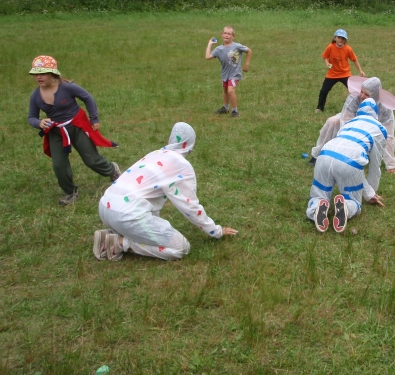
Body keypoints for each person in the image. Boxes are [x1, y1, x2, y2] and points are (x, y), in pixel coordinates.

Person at [93, 122, 238, 261]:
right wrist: (216, 231)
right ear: (190, 146)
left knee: (143, 225)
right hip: (127, 214)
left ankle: (111, 235)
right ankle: (119, 242)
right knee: (181, 247)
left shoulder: (155, 154)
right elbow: (190, 206)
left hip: (105, 206)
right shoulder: (181, 165)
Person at [27, 56, 120, 206]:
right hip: (56, 132)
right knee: (59, 165)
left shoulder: (67, 87)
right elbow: (31, 117)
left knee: (92, 160)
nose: (39, 77)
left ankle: (112, 170)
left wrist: (94, 118)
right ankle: (70, 192)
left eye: (43, 73)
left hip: (77, 127)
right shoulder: (35, 96)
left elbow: (87, 98)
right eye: (36, 74)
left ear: (52, 73)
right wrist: (39, 123)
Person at [306, 98, 386, 233]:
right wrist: (370, 193)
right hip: (350, 162)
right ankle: (346, 206)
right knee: (354, 200)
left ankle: (317, 207)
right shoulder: (380, 129)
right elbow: (375, 165)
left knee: (319, 193)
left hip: (325, 154)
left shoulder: (350, 122)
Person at [308, 77, 395, 173]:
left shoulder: (385, 107)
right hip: (353, 124)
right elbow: (345, 123)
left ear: (375, 95)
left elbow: (389, 136)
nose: (362, 96)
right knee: (332, 121)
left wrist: (391, 166)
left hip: (373, 130)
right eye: (361, 92)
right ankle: (317, 156)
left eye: (367, 94)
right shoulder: (354, 98)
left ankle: (368, 156)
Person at [205, 25, 253, 118]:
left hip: (235, 73)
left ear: (233, 36)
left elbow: (249, 51)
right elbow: (207, 57)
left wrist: (246, 64)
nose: (226, 35)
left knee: (230, 91)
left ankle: (235, 111)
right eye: (225, 33)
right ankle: (225, 108)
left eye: (229, 34)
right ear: (222, 34)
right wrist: (209, 44)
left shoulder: (237, 46)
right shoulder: (219, 49)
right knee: (225, 91)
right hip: (225, 74)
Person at [315, 29, 365, 113]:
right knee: (324, 91)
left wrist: (360, 70)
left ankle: (360, 106)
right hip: (332, 74)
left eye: (343, 38)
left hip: (345, 74)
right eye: (339, 38)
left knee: (355, 91)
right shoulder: (330, 47)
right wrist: (327, 63)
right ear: (335, 38)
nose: (341, 40)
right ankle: (320, 108)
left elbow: (354, 59)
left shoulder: (348, 49)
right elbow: (325, 56)